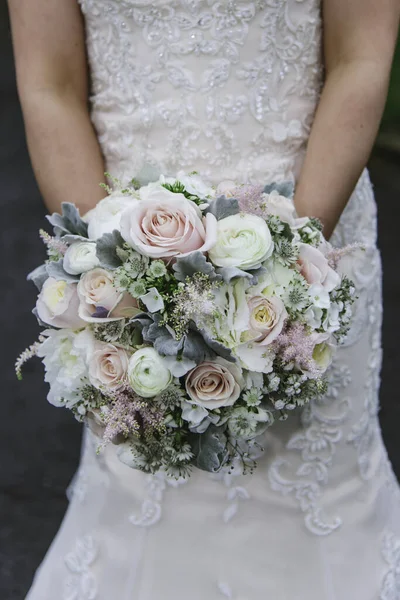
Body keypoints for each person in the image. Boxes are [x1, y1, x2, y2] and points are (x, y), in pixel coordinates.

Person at [8, 1, 400, 598]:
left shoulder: (302, 262)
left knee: (320, 491)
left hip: (315, 223)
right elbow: (49, 86)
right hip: (126, 251)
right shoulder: (122, 275)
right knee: (142, 481)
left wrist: (290, 271)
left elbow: (361, 58)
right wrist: (110, 275)